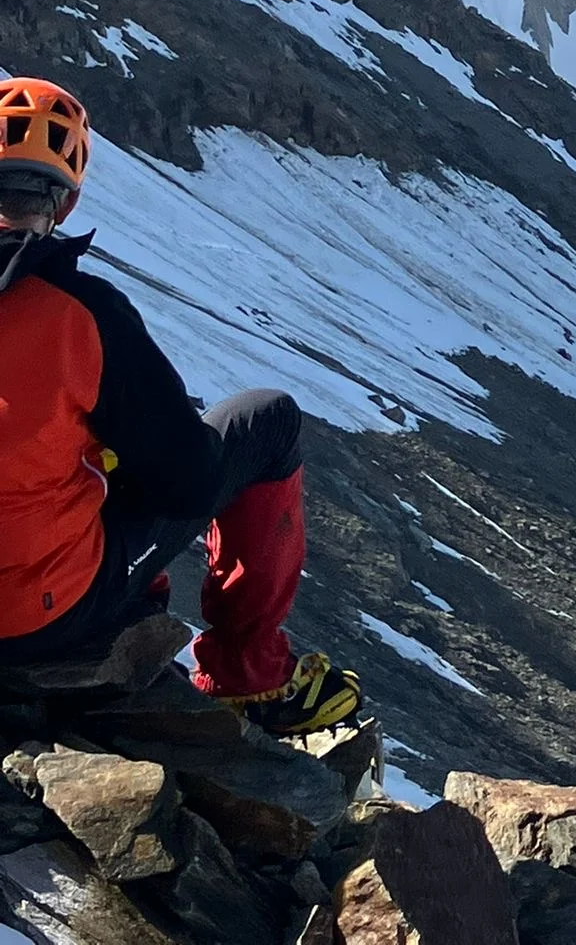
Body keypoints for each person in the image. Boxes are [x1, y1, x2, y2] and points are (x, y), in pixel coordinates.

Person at [0, 76, 360, 735]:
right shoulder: (85, 317)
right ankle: (247, 676)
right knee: (266, 420)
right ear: (66, 202)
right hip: (33, 615)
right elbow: (187, 479)